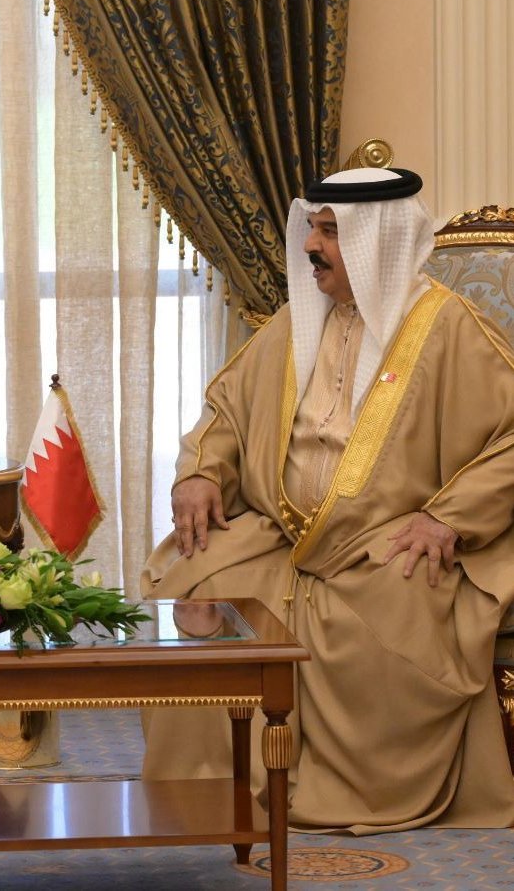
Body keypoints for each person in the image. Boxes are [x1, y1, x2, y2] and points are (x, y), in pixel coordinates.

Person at [141, 165, 514, 834]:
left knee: (392, 622)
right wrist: (199, 474)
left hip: (384, 543)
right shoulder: (299, 322)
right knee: (193, 584)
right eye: (313, 228)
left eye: (331, 233)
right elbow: (225, 413)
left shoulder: (448, 330)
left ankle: (347, 793)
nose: (312, 246)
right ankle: (206, 794)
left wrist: (447, 518)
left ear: (380, 243)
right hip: (276, 532)